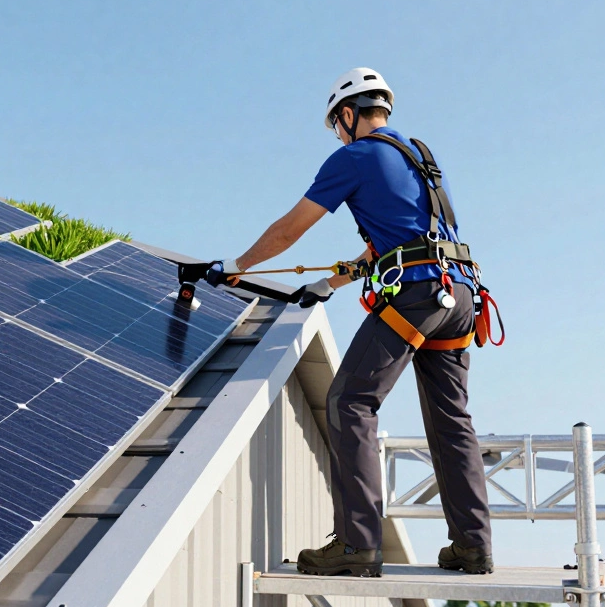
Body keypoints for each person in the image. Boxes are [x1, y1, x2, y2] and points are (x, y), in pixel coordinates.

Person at [204, 68, 493, 577]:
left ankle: (359, 546)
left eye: (337, 124)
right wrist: (328, 285)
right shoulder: (420, 155)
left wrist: (238, 266)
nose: (339, 133)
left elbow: (289, 230)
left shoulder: (354, 156)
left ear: (346, 114)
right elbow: (395, 241)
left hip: (416, 295)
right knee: (451, 419)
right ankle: (473, 545)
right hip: (459, 293)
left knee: (349, 401)